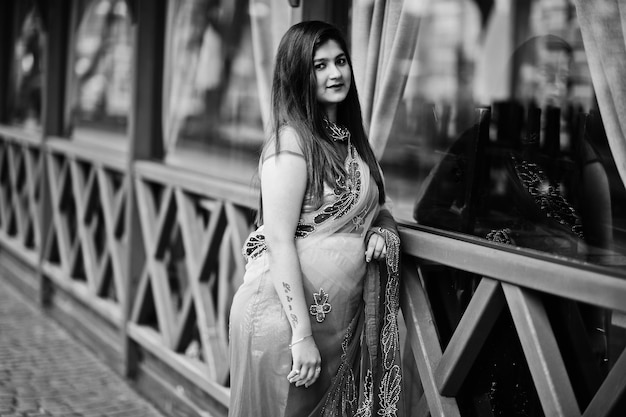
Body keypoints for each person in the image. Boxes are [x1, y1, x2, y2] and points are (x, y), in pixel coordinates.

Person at [228, 21, 404, 417]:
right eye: (319, 65)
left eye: (340, 61)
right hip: (285, 326)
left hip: (336, 326)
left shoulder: (349, 141)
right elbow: (277, 240)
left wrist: (382, 230)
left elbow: (377, 208)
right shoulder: (290, 143)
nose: (335, 73)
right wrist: (301, 336)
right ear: (297, 75)